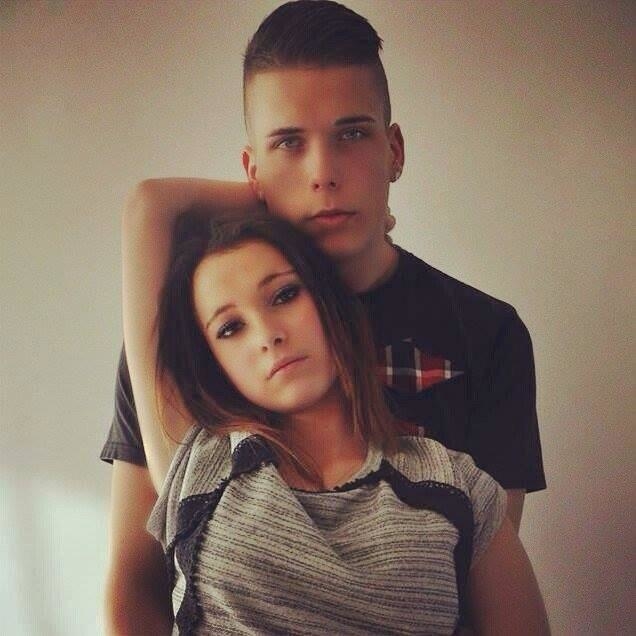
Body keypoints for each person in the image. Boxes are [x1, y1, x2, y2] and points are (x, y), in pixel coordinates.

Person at [101, 2, 546, 632]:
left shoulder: (487, 335)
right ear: (251, 170)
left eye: (353, 135)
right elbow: (135, 584)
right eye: (289, 144)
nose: (323, 174)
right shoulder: (187, 342)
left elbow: (477, 584)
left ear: (394, 150)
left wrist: (279, 197)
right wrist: (263, 207)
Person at [127, 211, 549, 634]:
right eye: (230, 327)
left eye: (284, 295)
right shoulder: (197, 459)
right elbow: (148, 208)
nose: (268, 334)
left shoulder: (456, 485)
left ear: (329, 300)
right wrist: (273, 194)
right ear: (214, 363)